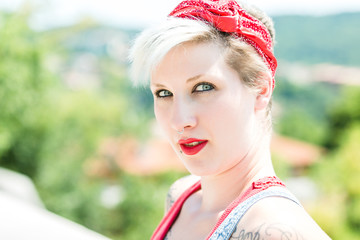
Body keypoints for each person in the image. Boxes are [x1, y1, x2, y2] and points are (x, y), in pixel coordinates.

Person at [129, 0, 331, 239]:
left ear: (261, 88)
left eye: (203, 87)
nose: (179, 120)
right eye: (164, 93)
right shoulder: (181, 197)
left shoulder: (277, 230)